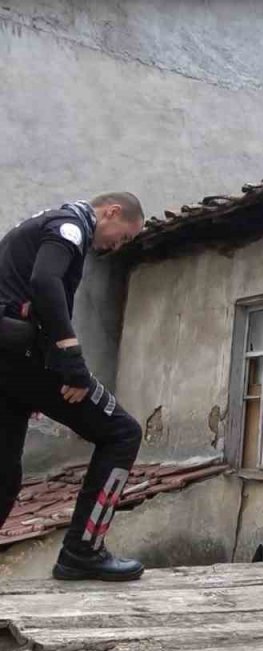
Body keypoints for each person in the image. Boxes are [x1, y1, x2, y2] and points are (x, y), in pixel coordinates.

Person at [0, 194, 146, 581]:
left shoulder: (43, 223)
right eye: (124, 237)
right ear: (111, 212)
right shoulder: (70, 226)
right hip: (17, 358)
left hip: (11, 361)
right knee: (122, 432)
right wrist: (71, 363)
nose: (118, 246)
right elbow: (44, 282)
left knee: (4, 474)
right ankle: (83, 551)